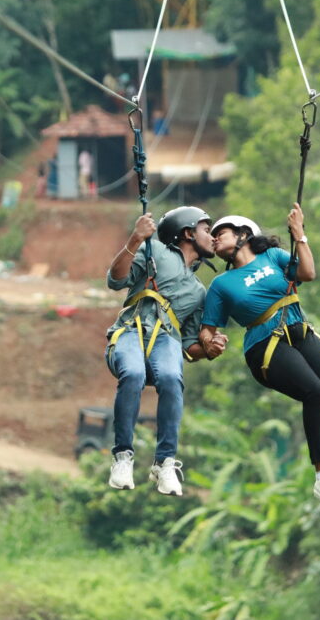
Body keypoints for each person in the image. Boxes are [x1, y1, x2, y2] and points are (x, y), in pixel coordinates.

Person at [198, 204, 320, 506]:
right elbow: (207, 327)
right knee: (314, 390)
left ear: (242, 234)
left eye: (220, 233)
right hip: (264, 346)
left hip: (298, 330)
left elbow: (308, 273)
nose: (214, 239)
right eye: (211, 236)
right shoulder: (221, 285)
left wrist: (299, 234)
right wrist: (210, 342)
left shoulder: (273, 257)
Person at [104, 206, 228, 496]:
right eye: (206, 230)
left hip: (166, 340)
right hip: (132, 331)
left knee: (172, 379)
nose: (212, 238)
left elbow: (189, 347)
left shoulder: (200, 292)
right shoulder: (155, 252)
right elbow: (115, 279)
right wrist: (135, 240)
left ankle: (165, 462)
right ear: (187, 233)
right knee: (133, 373)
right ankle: (123, 456)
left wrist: (208, 349)